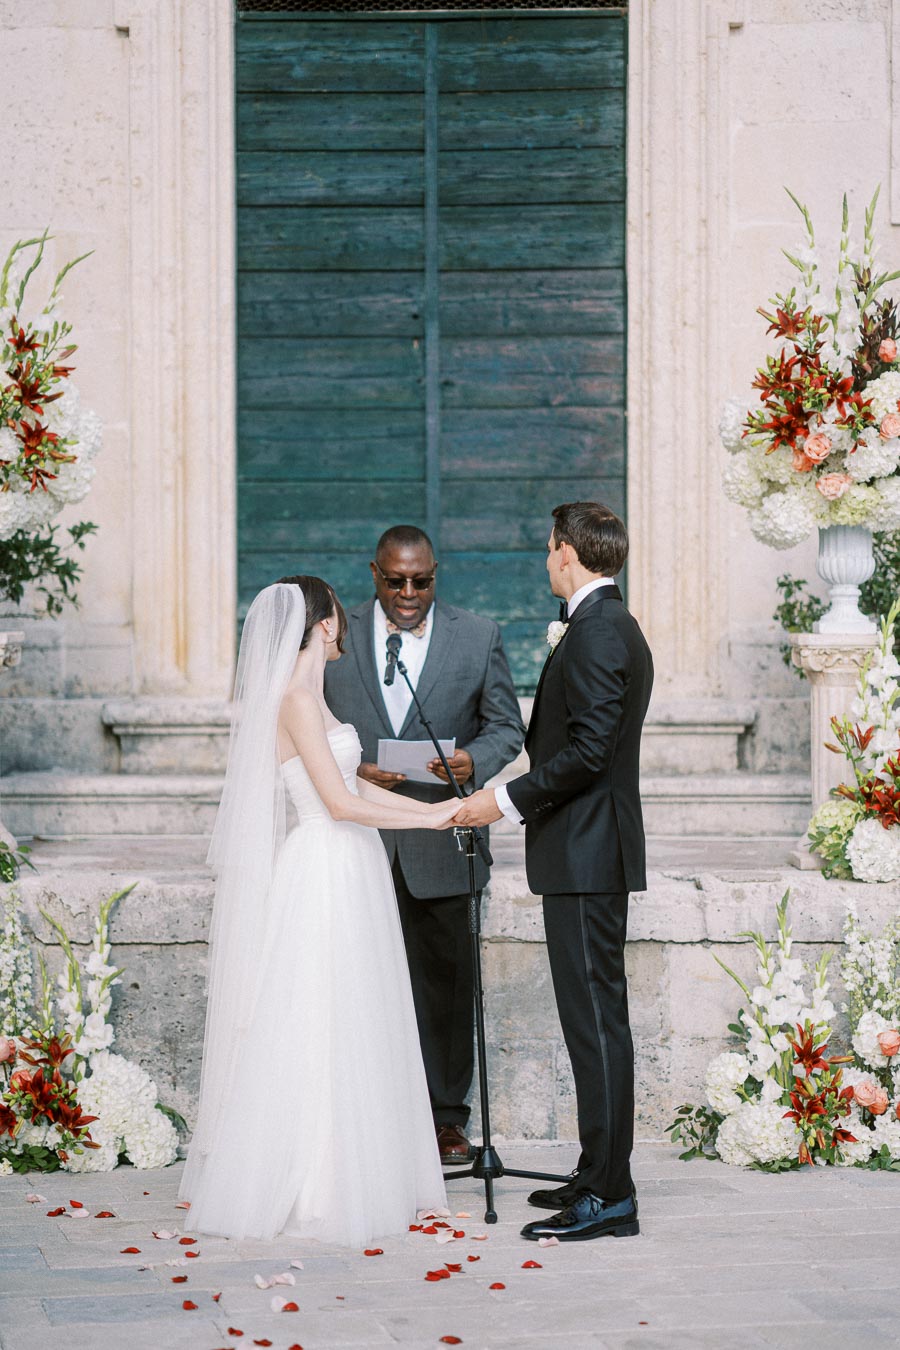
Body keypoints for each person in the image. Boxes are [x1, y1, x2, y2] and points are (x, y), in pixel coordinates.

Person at [180, 578, 461, 1246]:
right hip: (325, 865)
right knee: (319, 1015)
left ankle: (358, 1168)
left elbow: (355, 781)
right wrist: (428, 826)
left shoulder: (315, 700)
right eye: (341, 613)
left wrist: (440, 810)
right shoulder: (295, 701)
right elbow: (336, 805)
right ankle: (320, 1178)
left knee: (353, 1013)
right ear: (327, 624)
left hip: (350, 863)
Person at [455, 502, 653, 1243]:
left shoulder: (600, 632)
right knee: (591, 1023)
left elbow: (590, 752)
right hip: (583, 850)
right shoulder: (605, 625)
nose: (545, 560)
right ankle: (596, 1171)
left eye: (548, 548)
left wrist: (501, 801)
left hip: (586, 853)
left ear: (568, 553)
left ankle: (612, 1194)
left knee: (598, 1024)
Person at [324, 525, 525, 1163]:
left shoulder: (478, 635)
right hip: (357, 840)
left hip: (443, 842)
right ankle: (366, 1115)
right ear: (374, 573)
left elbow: (506, 727)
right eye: (395, 580)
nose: (409, 593)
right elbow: (307, 723)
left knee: (445, 986)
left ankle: (445, 1119)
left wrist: (472, 762)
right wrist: (355, 772)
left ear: (436, 573)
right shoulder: (336, 635)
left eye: (422, 580)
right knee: (356, 983)